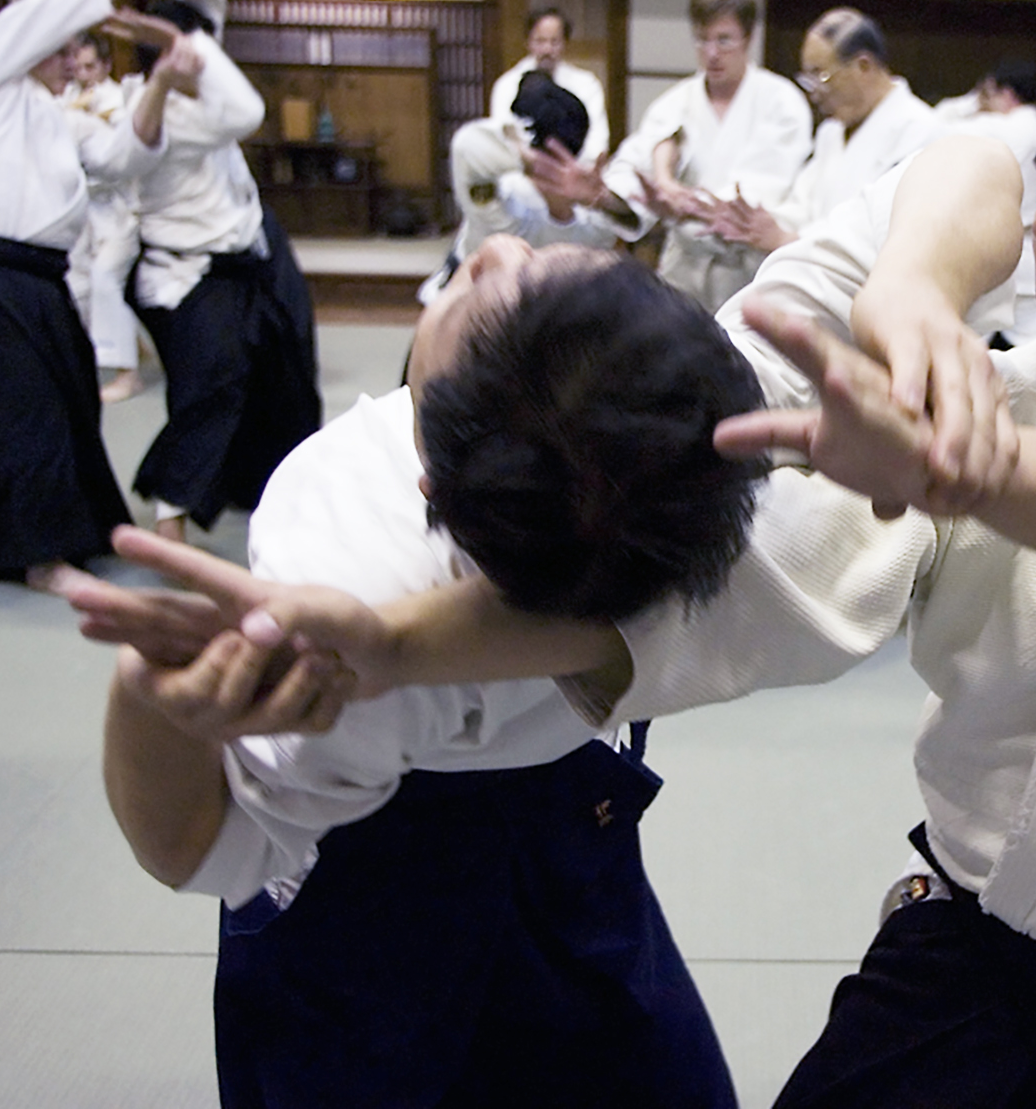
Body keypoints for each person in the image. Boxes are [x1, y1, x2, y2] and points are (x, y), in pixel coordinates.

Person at [81, 31, 1036, 1106]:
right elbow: (708, 588)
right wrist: (387, 649)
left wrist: (918, 304)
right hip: (974, 953)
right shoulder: (923, 423)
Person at [87, 239, 757, 1107]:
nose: (494, 251)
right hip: (394, 861)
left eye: (506, 291)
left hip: (506, 838)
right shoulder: (701, 467)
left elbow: (191, 846)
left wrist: (145, 693)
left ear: (433, 483)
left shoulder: (352, 579)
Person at [0, 0, 202, 589]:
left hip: (37, 283)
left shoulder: (48, 113)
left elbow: (118, 157)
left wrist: (159, 83)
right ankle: (40, 559)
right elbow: (40, 14)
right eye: (68, 47)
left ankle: (80, 533)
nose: (75, 60)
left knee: (69, 406)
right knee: (21, 415)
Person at [125, 0, 321, 546]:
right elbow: (245, 111)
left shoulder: (196, 96)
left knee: (283, 376)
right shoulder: (161, 112)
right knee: (212, 388)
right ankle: (170, 515)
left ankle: (268, 486)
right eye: (197, 51)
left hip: (246, 260)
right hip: (190, 277)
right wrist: (184, 48)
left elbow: (213, 33)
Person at [533, 0, 811, 312]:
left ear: (749, 37)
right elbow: (637, 170)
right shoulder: (675, 103)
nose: (711, 54)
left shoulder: (782, 102)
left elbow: (759, 190)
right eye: (701, 40)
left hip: (750, 274)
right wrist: (605, 196)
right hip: (684, 274)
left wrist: (683, 203)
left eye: (724, 40)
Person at [706, 8, 943, 255]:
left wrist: (788, 239)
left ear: (863, 66)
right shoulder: (831, 133)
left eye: (821, 75)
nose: (814, 91)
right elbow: (801, 208)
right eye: (808, 78)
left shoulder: (920, 131)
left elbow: (876, 226)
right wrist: (751, 220)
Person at [418, 72, 619, 305]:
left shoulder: (505, 204)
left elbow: (467, 146)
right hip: (482, 305)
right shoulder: (589, 213)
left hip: (494, 313)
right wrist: (602, 203)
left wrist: (526, 158)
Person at [62, 31, 147, 403]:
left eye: (91, 66)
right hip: (82, 211)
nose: (84, 75)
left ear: (107, 65)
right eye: (77, 67)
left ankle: (127, 376)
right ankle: (92, 362)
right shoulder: (64, 100)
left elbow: (129, 152)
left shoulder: (119, 101)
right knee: (76, 286)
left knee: (105, 280)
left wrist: (96, 115)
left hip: (119, 210)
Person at [944, 58, 1036, 345]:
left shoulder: (1000, 128)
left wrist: (972, 102)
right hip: (1032, 259)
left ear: (1002, 92)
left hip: (1000, 258)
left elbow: (934, 122)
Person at [487, 6, 609, 163]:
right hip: (523, 171)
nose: (547, 49)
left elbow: (597, 140)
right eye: (540, 41)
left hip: (575, 171)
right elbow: (502, 137)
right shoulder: (507, 85)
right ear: (527, 42)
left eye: (554, 42)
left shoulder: (586, 84)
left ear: (565, 43)